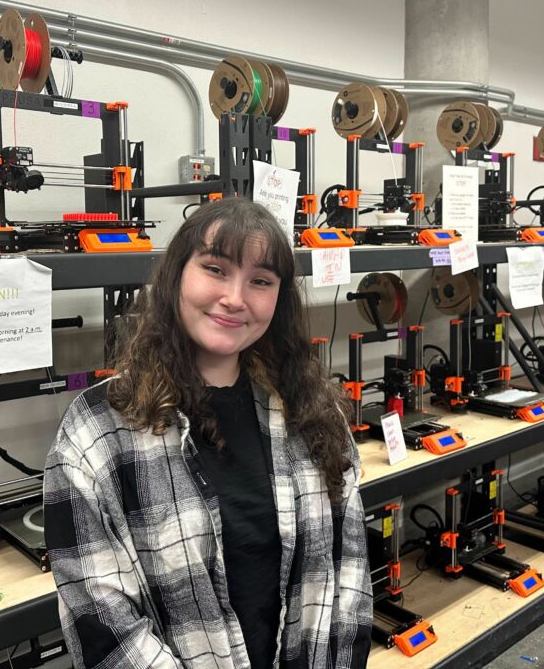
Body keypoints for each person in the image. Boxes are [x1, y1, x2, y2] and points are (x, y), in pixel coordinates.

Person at [44, 198, 372, 668]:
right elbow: (100, 620)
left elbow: (350, 577)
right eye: (215, 269)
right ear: (177, 274)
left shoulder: (312, 411)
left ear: (278, 298)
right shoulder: (97, 429)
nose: (236, 298)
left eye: (260, 281)